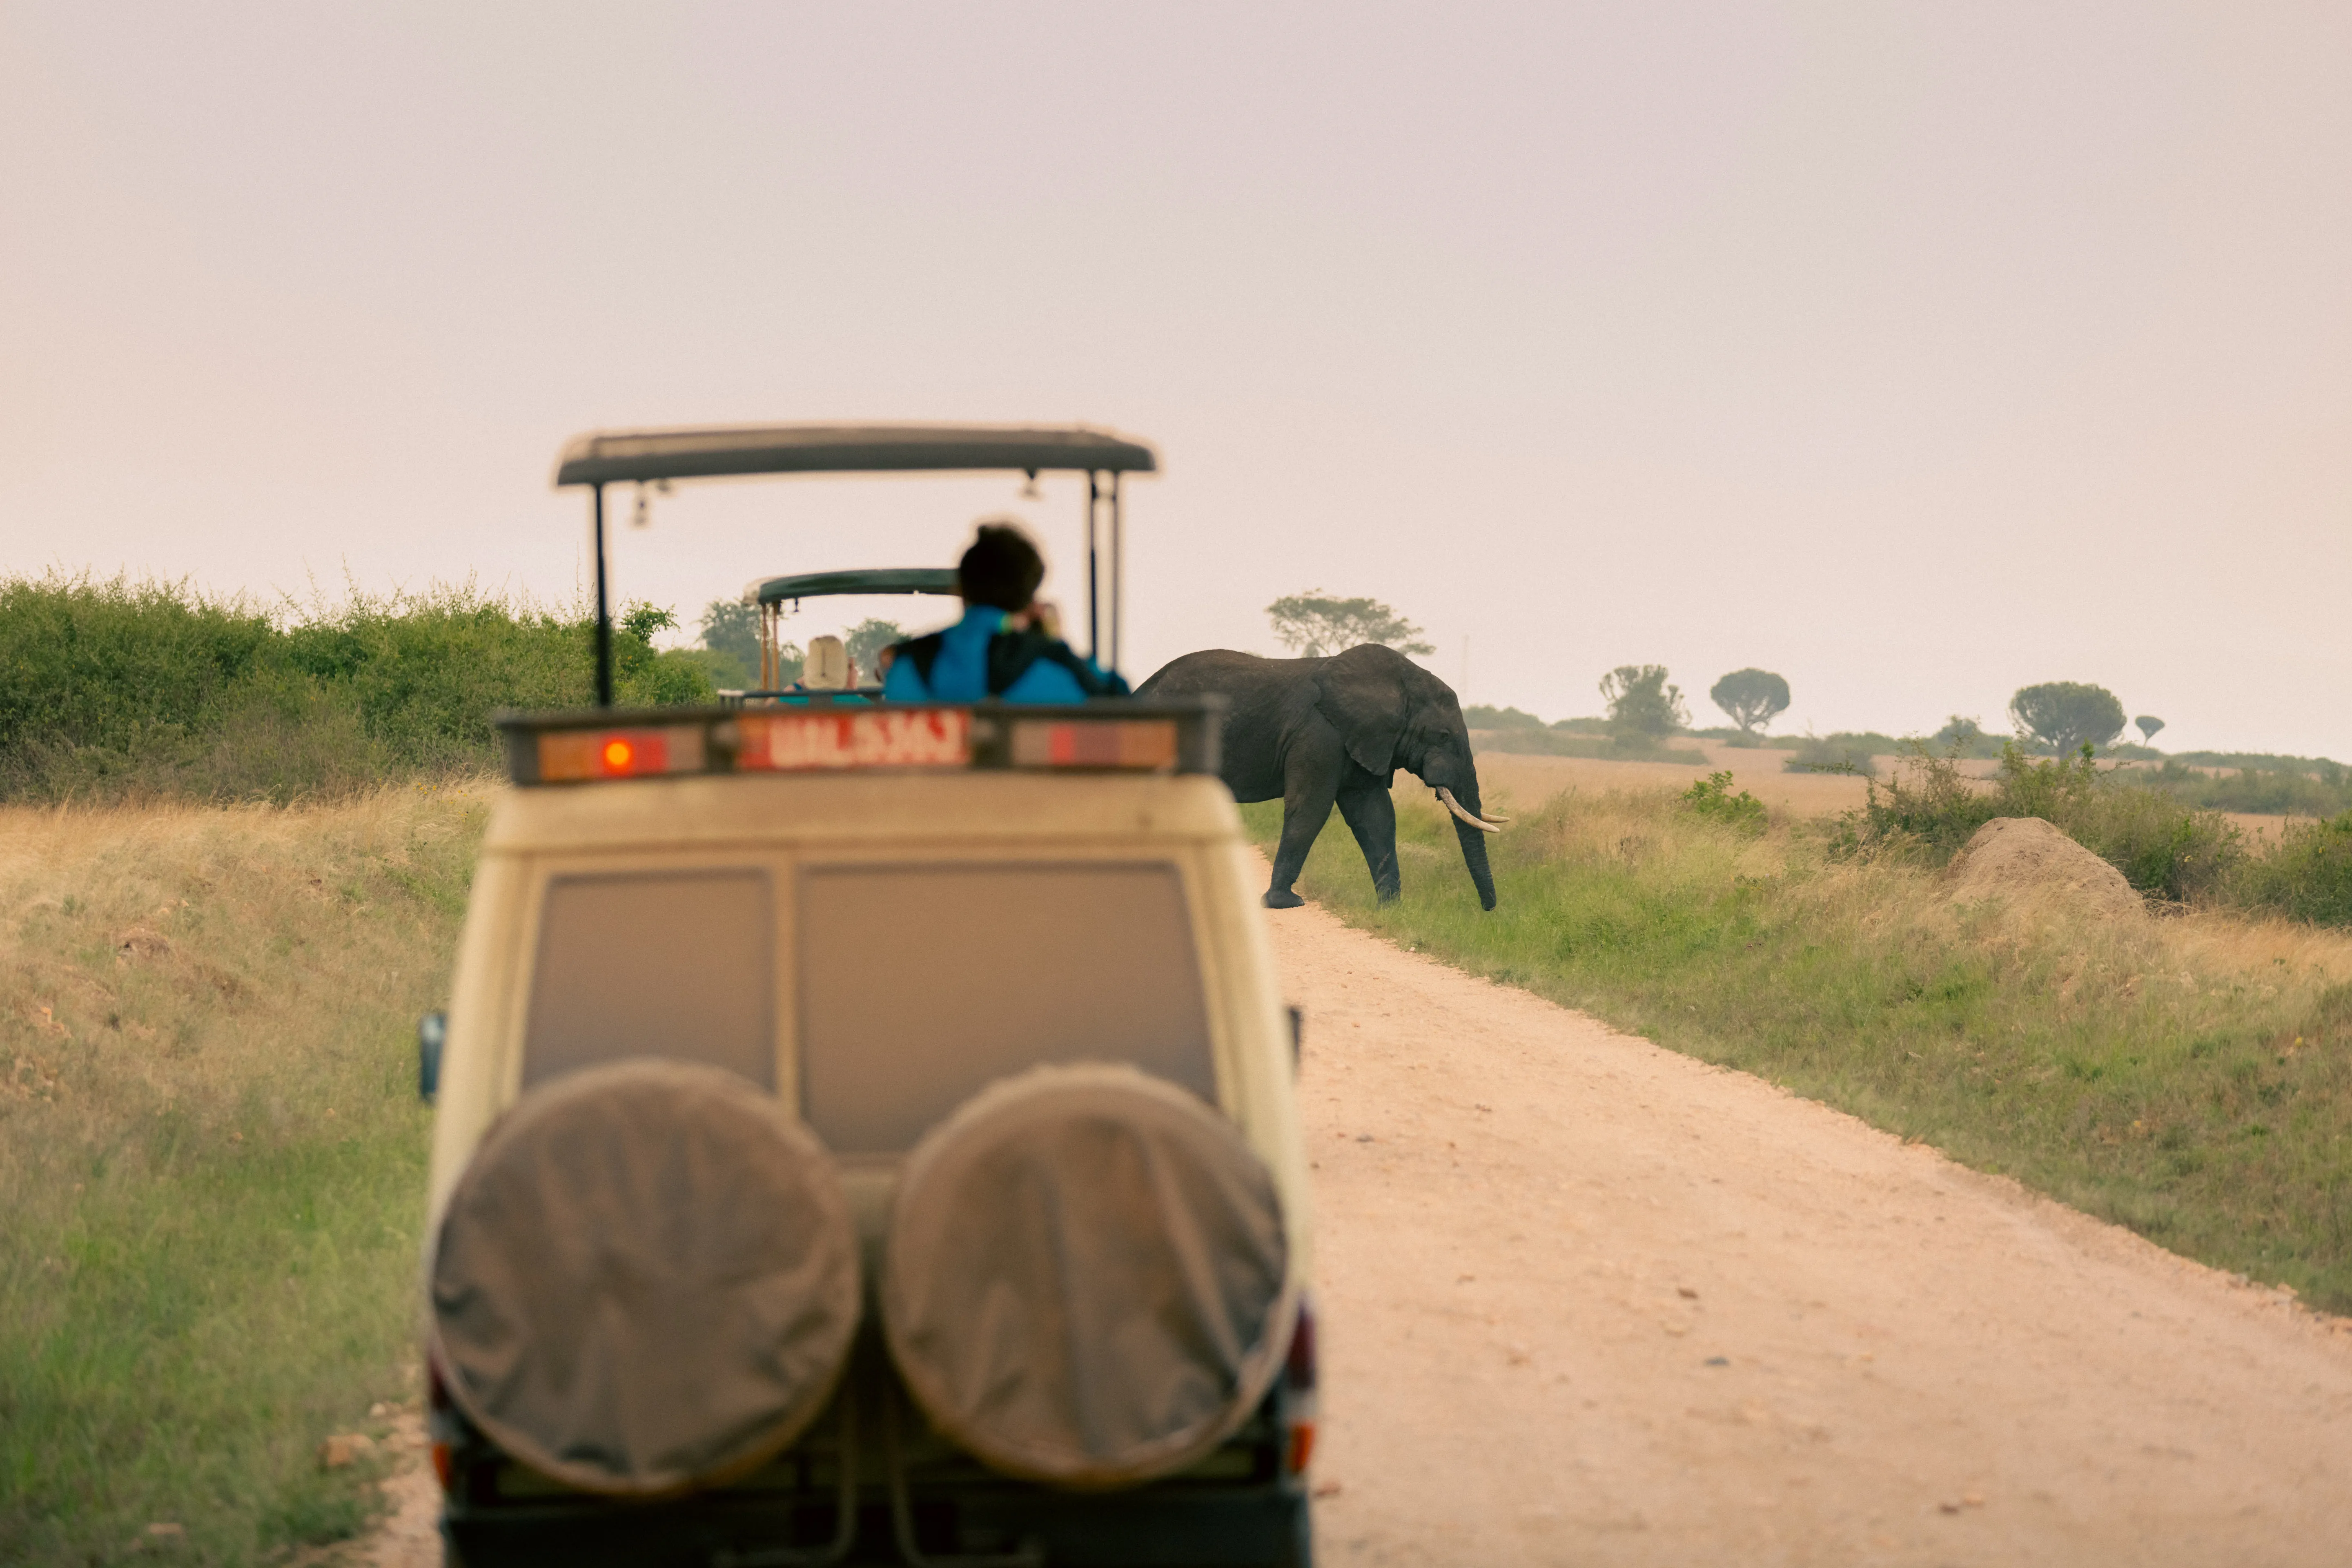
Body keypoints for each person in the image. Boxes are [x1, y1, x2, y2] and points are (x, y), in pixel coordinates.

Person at [882, 521, 1126, 703]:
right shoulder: (1061, 668)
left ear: (961, 590)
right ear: (1031, 599)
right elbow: (1121, 700)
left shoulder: (908, 665)